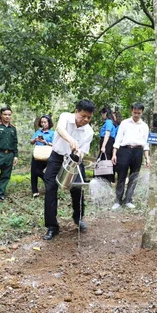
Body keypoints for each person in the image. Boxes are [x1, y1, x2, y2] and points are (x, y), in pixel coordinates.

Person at [43, 99, 95, 240]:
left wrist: (77, 155)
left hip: (75, 160)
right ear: (76, 111)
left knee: (78, 188)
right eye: (83, 116)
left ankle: (78, 218)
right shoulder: (65, 117)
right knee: (50, 189)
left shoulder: (89, 131)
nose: (85, 119)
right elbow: (60, 129)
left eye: (89, 117)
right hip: (57, 157)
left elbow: (83, 152)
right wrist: (70, 140)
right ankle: (52, 227)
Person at [111, 103, 150, 210]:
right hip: (124, 150)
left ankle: (128, 200)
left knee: (134, 176)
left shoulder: (144, 126)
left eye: (139, 113)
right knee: (121, 176)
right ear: (131, 111)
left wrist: (147, 158)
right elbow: (118, 139)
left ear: (142, 112)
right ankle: (118, 200)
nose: (136, 115)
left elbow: (146, 143)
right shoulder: (124, 123)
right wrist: (114, 154)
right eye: (134, 112)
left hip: (138, 151)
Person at [30, 115, 54, 197]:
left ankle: (49, 186)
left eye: (45, 122)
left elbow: (55, 145)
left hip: (47, 154)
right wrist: (35, 139)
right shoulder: (38, 132)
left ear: (49, 123)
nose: (43, 124)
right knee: (34, 172)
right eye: (42, 122)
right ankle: (35, 191)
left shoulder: (52, 133)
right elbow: (31, 141)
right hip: (37, 154)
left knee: (43, 172)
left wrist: (45, 142)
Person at [97, 107, 117, 183]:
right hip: (108, 142)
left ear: (105, 113)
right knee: (104, 160)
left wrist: (103, 146)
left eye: (102, 114)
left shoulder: (108, 122)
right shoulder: (111, 122)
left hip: (107, 143)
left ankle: (105, 179)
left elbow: (107, 134)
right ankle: (104, 179)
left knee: (105, 161)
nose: (102, 116)